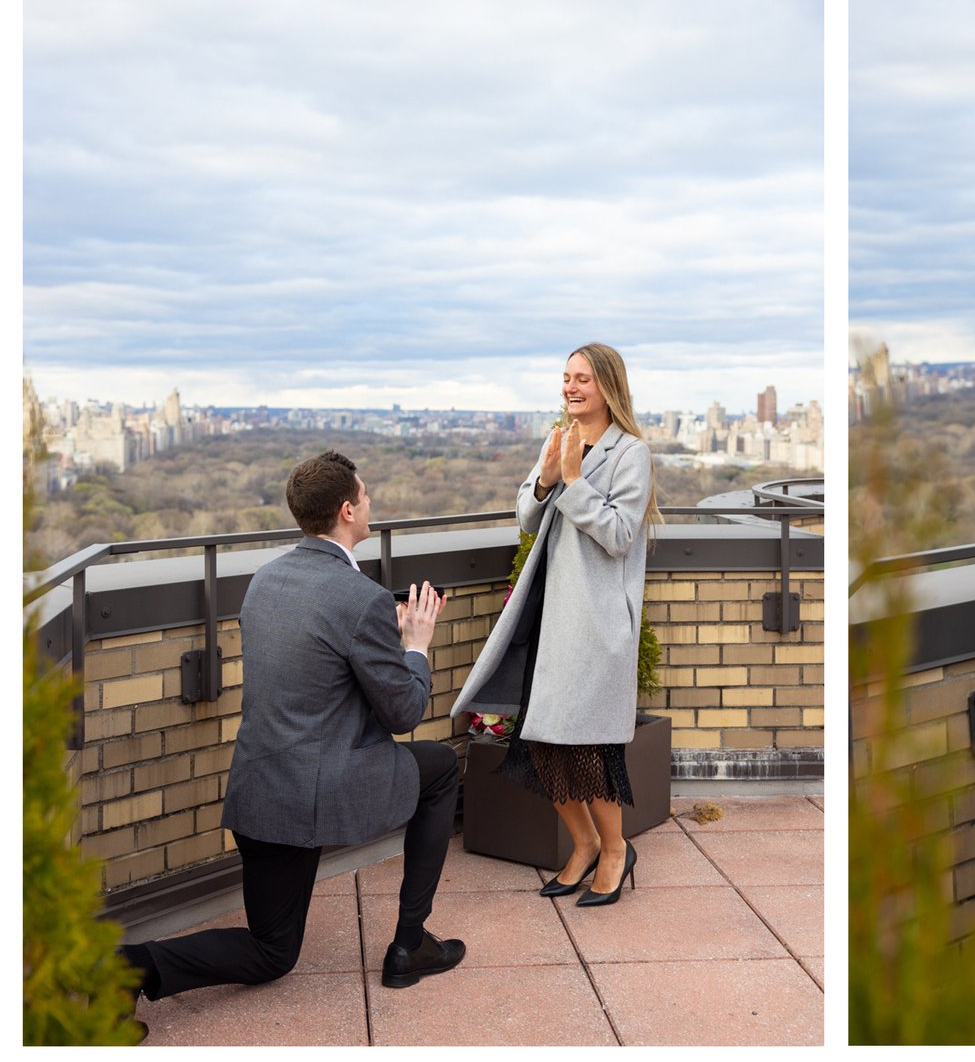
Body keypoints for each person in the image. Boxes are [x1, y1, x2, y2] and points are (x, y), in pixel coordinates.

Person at [119, 451, 461, 1005]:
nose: (371, 502)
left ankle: (127, 967)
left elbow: (316, 680)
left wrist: (380, 643)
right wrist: (414, 647)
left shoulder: (265, 580)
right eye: (367, 495)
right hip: (315, 793)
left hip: (260, 790)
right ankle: (410, 942)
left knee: (271, 951)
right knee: (442, 768)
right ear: (348, 510)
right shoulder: (362, 599)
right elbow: (403, 714)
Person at [450, 343, 657, 908]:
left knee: (588, 745)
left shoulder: (629, 452)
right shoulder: (560, 437)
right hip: (550, 615)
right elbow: (526, 517)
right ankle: (584, 842)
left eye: (582, 379)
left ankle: (614, 850)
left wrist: (573, 480)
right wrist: (545, 479)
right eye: (566, 377)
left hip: (594, 621)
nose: (570, 387)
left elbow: (618, 536)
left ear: (607, 385)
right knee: (540, 740)